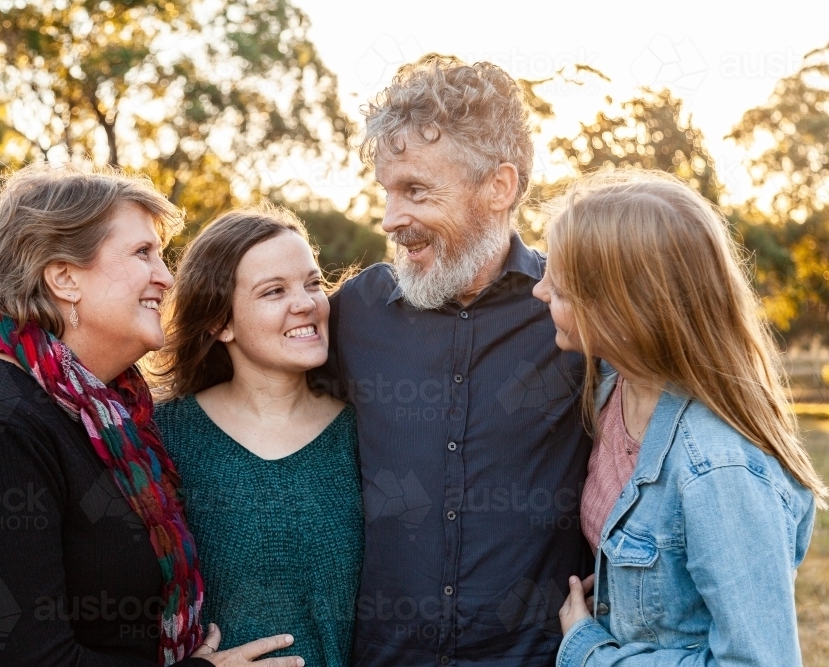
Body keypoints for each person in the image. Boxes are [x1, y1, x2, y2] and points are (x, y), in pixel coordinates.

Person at [0, 162, 302, 667]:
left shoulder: (108, 416)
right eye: (143, 254)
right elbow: (33, 661)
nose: (166, 278)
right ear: (63, 277)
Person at [312, 55, 592, 666]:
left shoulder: (575, 315)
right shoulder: (352, 314)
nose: (390, 220)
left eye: (415, 190)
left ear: (499, 187)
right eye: (386, 192)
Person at [532, 169, 827, 666]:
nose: (540, 292)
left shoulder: (720, 467)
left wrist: (588, 651)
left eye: (560, 289)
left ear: (624, 310)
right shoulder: (611, 383)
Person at [151, 205, 363, 667]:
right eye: (274, 291)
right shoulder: (163, 436)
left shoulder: (364, 433)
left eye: (313, 283)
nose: (306, 303)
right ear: (219, 323)